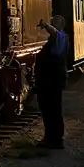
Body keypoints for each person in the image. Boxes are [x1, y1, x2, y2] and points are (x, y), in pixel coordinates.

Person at [34, 16, 68, 149]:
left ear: (60, 25)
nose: (52, 24)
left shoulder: (61, 38)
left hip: (52, 81)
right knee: (49, 111)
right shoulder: (55, 40)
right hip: (49, 81)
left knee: (53, 110)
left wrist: (46, 25)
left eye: (54, 23)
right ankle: (50, 138)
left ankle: (55, 140)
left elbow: (54, 32)